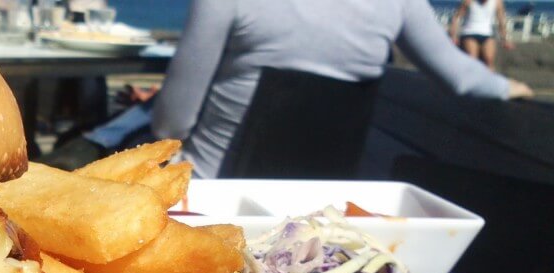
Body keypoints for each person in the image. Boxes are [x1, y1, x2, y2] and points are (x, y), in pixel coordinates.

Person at [42, 0, 533, 178]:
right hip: (322, 195)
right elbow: (463, 77)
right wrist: (512, 88)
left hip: (218, 190)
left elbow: (173, 122)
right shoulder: (397, 3)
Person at [449, 0, 513, 71]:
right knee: (472, 59)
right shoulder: (468, 1)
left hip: (487, 34)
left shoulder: (497, 2)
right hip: (469, 33)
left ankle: (489, 80)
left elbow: (501, 20)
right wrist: (453, 35)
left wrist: (505, 39)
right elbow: (457, 17)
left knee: (489, 60)